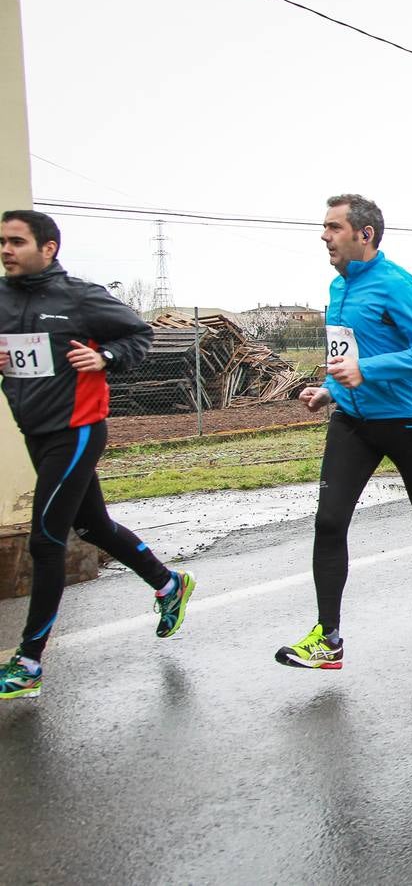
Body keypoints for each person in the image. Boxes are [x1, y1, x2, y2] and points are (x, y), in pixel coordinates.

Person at [274, 195, 412, 670]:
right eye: (325, 227)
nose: (324, 235)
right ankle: (328, 638)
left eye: (333, 227)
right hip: (353, 421)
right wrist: (330, 390)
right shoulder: (338, 288)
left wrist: (366, 370)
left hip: (407, 423)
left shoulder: (397, 284)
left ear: (364, 234)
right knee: (329, 521)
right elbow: (348, 354)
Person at [0, 210, 194, 699]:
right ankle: (168, 583)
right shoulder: (2, 299)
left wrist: (104, 357)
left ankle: (28, 662)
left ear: (48, 248)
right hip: (36, 429)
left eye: (16, 242)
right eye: (2, 242)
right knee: (92, 527)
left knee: (46, 542)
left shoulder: (79, 297)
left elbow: (139, 336)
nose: (6, 250)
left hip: (79, 429)